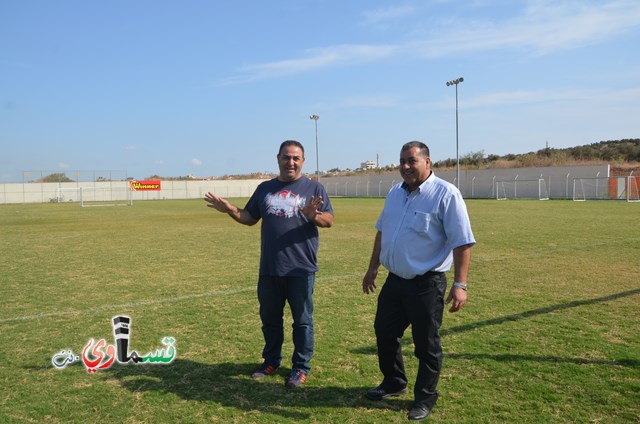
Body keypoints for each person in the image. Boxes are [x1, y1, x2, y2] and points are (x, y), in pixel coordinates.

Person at [204, 140, 334, 389]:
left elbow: (329, 220)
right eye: (286, 157)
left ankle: (300, 367)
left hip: (301, 269)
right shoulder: (265, 188)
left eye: (296, 158)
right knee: (270, 319)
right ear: (278, 159)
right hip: (270, 269)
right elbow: (249, 217)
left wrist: (313, 215)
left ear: (303, 161)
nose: (291, 162)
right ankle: (271, 360)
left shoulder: (314, 188)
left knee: (303, 321)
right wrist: (231, 209)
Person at [362, 141, 475, 421]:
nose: (405, 167)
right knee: (384, 332)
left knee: (426, 344)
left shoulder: (446, 195)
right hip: (395, 281)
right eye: (402, 161)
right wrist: (372, 267)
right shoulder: (394, 193)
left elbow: (463, 243)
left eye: (411, 161)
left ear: (427, 162)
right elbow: (381, 231)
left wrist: (460, 285)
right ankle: (394, 382)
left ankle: (424, 398)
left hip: (427, 284)